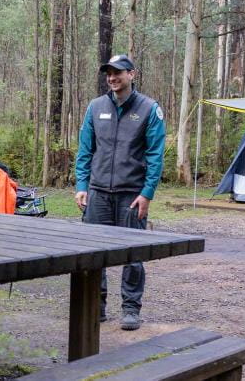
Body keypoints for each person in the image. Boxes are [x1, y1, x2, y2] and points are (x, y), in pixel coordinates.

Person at [74, 54, 165, 331]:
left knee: (133, 254)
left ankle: (130, 308)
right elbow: (85, 150)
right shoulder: (95, 107)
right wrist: (81, 186)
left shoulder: (149, 109)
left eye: (118, 73)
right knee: (92, 254)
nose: (113, 78)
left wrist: (147, 193)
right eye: (109, 73)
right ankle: (95, 305)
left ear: (132, 75)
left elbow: (155, 155)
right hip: (98, 193)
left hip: (131, 194)